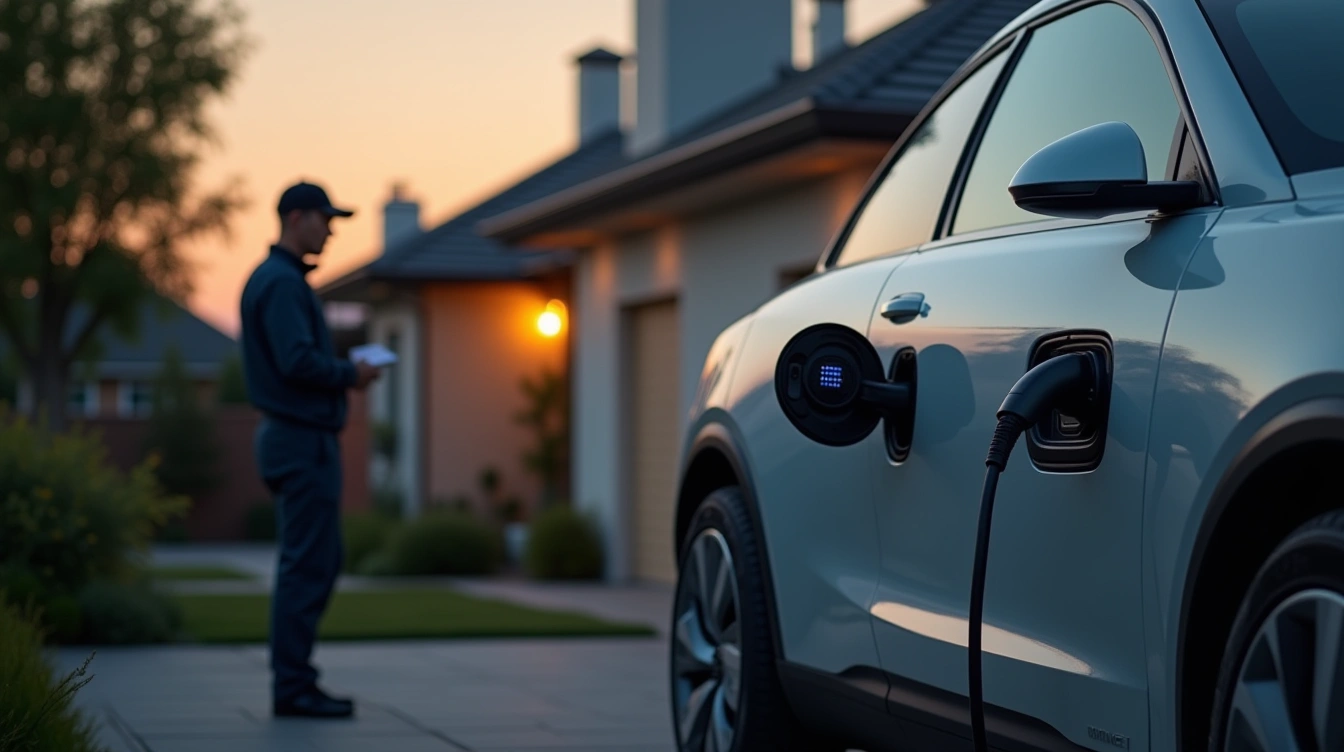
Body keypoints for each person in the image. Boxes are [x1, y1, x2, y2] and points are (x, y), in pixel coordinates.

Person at [239, 181, 380, 718]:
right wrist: (353, 373)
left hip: (297, 439)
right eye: (325, 219)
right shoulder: (280, 284)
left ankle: (296, 681)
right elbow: (297, 362)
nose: (331, 229)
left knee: (317, 561)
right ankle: (293, 687)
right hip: (300, 441)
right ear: (296, 218)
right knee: (307, 566)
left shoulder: (281, 281)